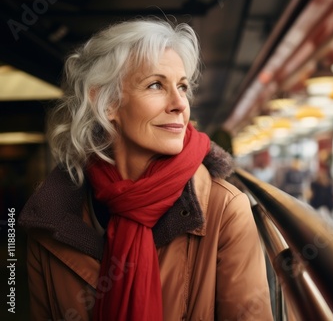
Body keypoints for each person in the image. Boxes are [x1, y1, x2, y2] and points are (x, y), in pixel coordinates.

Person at [19, 19, 273, 321]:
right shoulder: (48, 218)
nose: (180, 103)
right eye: (156, 85)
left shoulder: (225, 209)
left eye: (182, 86)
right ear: (106, 102)